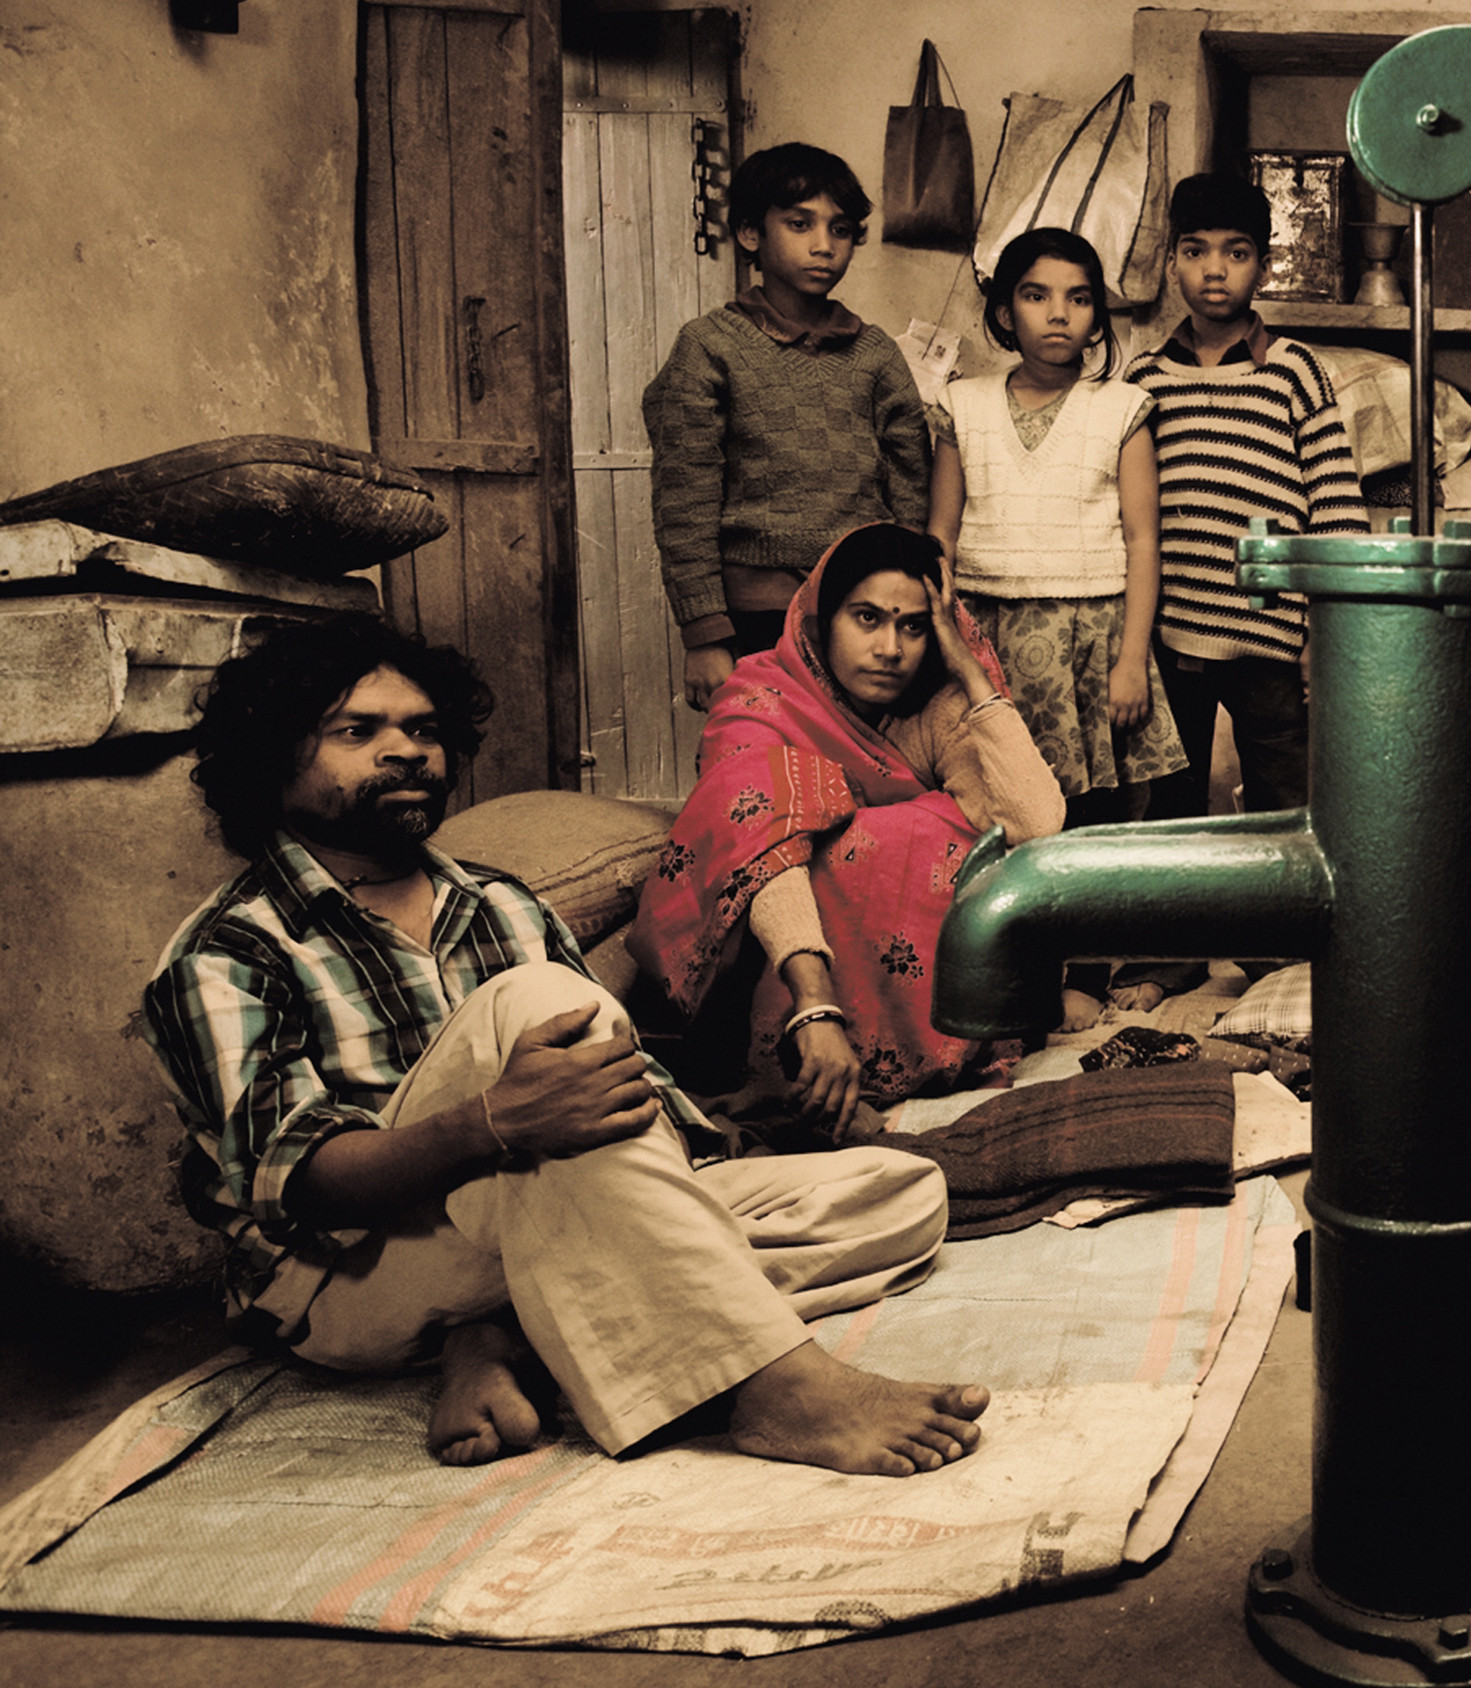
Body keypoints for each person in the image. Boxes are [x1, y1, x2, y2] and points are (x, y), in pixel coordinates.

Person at [141, 617, 989, 1474]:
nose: (406, 751)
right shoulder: (230, 950)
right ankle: (773, 1386)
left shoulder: (501, 903)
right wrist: (493, 1127)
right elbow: (296, 1186)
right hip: (355, 1270)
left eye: (424, 730)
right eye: (358, 732)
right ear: (271, 759)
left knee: (902, 1193)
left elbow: (625, 1090)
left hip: (541, 1219)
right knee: (541, 1002)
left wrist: (683, 1159)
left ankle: (500, 1338)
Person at [634, 523, 1066, 1125]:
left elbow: (1035, 825)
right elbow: (760, 850)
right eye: (867, 619)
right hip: (768, 988)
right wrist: (815, 1007)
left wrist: (971, 674)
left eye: (914, 626)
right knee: (804, 820)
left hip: (912, 1013)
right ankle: (790, 1068)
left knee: (949, 833)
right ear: (821, 619)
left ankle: (901, 1065)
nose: (890, 648)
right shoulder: (759, 703)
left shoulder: (934, 706)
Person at [645, 142, 932, 713]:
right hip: (754, 617)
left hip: (864, 610)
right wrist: (704, 632)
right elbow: (685, 498)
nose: (824, 245)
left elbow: (911, 489)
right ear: (751, 233)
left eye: (840, 229)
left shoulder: (875, 353)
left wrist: (907, 600)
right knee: (759, 754)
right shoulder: (709, 347)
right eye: (800, 224)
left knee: (863, 756)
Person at [1122, 172, 1369, 822]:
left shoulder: (1293, 370)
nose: (1214, 269)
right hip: (1172, 638)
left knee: (1287, 807)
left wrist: (1325, 633)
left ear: (1264, 264)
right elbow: (1124, 518)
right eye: (1195, 250)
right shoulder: (1143, 381)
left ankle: (1284, 896)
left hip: (1273, 641)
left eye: (1236, 252)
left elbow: (1337, 509)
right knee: (1170, 812)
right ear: (1171, 262)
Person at [926, 227, 1187, 830]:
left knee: (1094, 819)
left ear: (1096, 318)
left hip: (1092, 640)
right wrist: (941, 646)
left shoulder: (1121, 408)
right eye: (1036, 295)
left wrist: (1131, 660)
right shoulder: (963, 406)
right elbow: (941, 534)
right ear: (1005, 312)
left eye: (1079, 298)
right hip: (986, 635)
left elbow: (1143, 541)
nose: (1059, 314)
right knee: (992, 804)